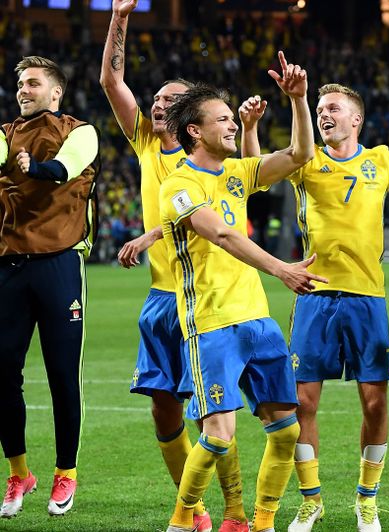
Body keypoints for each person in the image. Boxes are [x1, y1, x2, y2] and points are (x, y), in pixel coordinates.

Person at [241, 82, 389, 532]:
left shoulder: (382, 161)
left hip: (368, 299)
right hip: (313, 297)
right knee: (303, 405)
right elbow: (256, 173)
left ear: (357, 120)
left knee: (374, 403)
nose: (324, 114)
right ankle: (311, 502)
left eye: (333, 108)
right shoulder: (304, 156)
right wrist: (251, 127)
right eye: (319, 108)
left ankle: (366, 501)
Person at [159, 53, 322, 532]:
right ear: (195, 130)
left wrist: (298, 101)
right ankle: (180, 521)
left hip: (257, 320)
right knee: (218, 435)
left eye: (233, 119)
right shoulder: (180, 184)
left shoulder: (237, 172)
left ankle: (261, 522)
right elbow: (224, 236)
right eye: (224, 120)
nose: (233, 126)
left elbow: (299, 156)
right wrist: (282, 270)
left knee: (286, 428)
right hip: (211, 323)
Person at [99, 1, 231, 529]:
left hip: (204, 294)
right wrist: (120, 16)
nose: (157, 104)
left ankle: (236, 509)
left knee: (210, 410)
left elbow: (216, 220)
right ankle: (193, 508)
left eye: (171, 100)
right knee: (162, 406)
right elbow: (112, 81)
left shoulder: (212, 160)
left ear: (192, 118)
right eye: (155, 98)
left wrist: (153, 232)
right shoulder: (147, 146)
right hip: (160, 296)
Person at [0, 55, 99, 518]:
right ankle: (19, 473)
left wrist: (34, 168)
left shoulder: (79, 131)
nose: (23, 89)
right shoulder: (4, 134)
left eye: (33, 83)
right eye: (20, 83)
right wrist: (17, 160)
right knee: (2, 377)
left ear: (55, 92)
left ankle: (66, 474)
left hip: (59, 265)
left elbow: (65, 167)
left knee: (62, 375)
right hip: (9, 268)